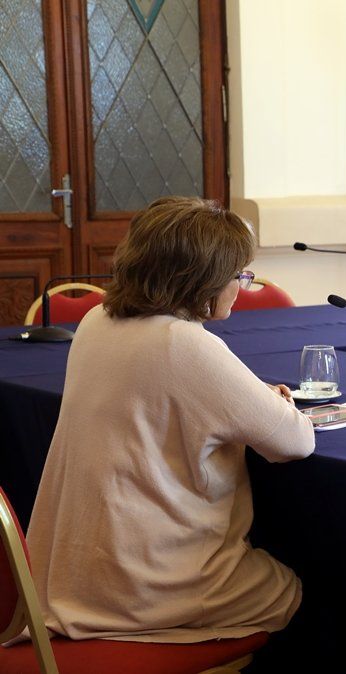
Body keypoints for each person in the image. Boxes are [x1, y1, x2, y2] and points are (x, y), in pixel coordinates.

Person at [23, 197, 315, 644]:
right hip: (146, 582)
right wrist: (275, 405)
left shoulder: (95, 320)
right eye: (238, 275)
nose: (242, 286)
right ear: (202, 280)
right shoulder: (183, 343)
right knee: (300, 589)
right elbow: (294, 442)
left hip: (70, 571)